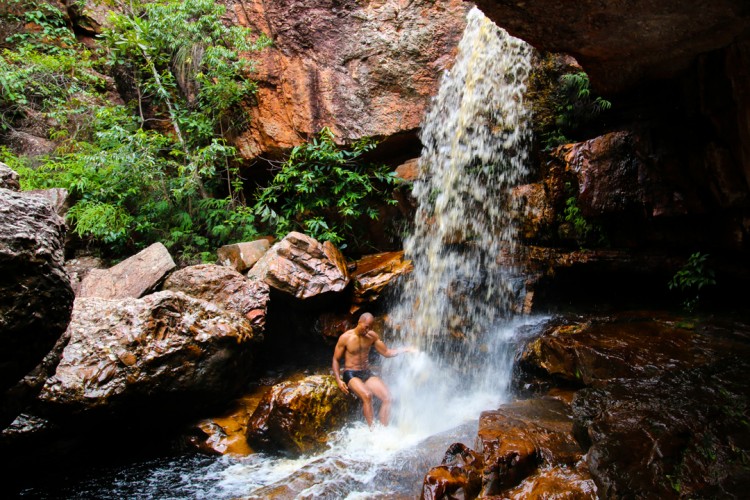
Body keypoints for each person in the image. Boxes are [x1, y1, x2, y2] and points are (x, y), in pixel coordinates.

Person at [332, 312, 415, 427]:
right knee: (367, 395)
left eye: (370, 328)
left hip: (366, 372)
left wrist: (405, 349)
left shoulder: (372, 336)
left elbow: (387, 352)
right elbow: (336, 359)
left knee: (388, 398)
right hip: (351, 373)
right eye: (366, 327)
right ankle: (372, 431)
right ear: (359, 322)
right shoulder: (346, 338)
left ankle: (383, 431)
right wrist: (338, 380)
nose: (368, 330)